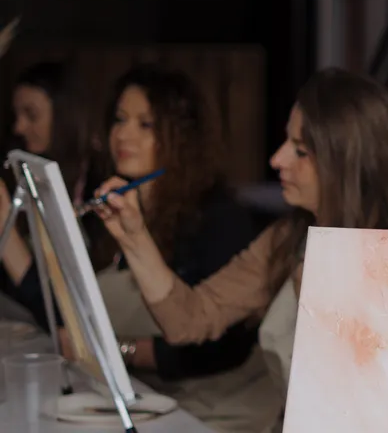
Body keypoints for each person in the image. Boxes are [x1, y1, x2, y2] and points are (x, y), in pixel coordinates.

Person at [92, 67, 388, 429]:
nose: (277, 159)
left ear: (344, 163)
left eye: (300, 150)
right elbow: (187, 320)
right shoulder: (288, 237)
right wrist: (134, 236)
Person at [69, 66, 281, 432]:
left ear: (182, 136)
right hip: (146, 396)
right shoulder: (110, 207)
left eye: (145, 124)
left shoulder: (217, 217)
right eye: (119, 120)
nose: (124, 134)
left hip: (216, 409)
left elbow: (222, 345)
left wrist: (118, 350)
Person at [0, 61, 98, 313]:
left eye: (31, 115)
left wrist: (6, 233)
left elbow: (72, 310)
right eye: (16, 115)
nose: (19, 127)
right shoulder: (17, 171)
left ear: (66, 115)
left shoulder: (100, 183)